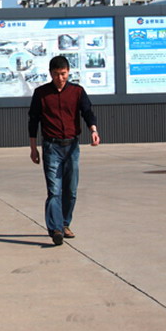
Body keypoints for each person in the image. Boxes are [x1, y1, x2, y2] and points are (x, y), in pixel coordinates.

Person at [28, 55, 100, 246]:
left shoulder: (77, 91)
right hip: (51, 147)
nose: (60, 78)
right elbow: (33, 120)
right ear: (50, 74)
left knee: (71, 189)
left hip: (72, 147)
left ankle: (65, 223)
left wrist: (93, 130)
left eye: (63, 74)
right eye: (56, 74)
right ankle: (56, 229)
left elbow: (87, 112)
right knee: (54, 190)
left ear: (68, 72)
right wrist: (33, 148)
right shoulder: (41, 93)